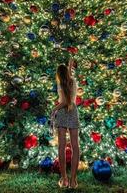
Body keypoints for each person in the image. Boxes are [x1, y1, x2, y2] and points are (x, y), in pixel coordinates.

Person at [51, 59, 80, 189]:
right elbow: (69, 97)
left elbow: (63, 102)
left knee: (61, 147)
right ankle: (73, 180)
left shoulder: (61, 84)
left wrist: (54, 109)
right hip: (73, 111)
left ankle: (64, 179)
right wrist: (69, 66)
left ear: (58, 74)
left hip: (62, 113)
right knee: (75, 146)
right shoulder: (72, 81)